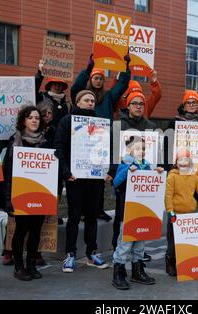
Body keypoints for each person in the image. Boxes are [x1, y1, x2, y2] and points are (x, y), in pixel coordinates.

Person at [70, 54, 132, 222]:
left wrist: (126, 66)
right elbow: (75, 87)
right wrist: (89, 67)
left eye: (101, 78)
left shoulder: (108, 97)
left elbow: (122, 85)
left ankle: (99, 209)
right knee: (84, 178)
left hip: (102, 142)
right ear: (90, 79)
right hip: (83, 144)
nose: (98, 81)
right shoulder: (84, 96)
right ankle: (83, 210)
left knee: (100, 178)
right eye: (95, 78)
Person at [54, 90, 110, 272]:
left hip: (95, 178)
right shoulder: (67, 121)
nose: (90, 102)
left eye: (93, 100)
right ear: (78, 102)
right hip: (75, 178)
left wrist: (107, 170)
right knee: (74, 217)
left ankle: (92, 253)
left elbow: (106, 148)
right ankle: (70, 253)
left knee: (92, 217)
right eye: (86, 100)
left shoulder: (100, 123)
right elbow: (59, 147)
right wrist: (65, 172)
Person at [2, 105, 52, 281]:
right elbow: (7, 173)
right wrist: (8, 200)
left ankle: (31, 263)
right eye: (30, 117)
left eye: (37, 118)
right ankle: (19, 267)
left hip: (39, 195)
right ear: (23, 120)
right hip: (20, 195)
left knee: (36, 231)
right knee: (21, 230)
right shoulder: (14, 142)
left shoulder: (46, 142)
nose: (34, 120)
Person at [108, 92, 158, 257]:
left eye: (141, 104)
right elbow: (113, 150)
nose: (138, 106)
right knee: (122, 215)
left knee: (141, 214)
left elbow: (155, 153)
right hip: (124, 178)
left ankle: (138, 251)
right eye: (134, 103)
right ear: (128, 106)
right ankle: (118, 246)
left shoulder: (150, 126)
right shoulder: (118, 125)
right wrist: (112, 172)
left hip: (144, 179)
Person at [111, 136, 164, 290]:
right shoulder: (126, 164)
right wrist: (128, 171)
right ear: (130, 150)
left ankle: (137, 270)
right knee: (125, 243)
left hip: (143, 212)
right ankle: (118, 272)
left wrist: (158, 172)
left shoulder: (146, 166)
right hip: (128, 212)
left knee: (140, 242)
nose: (142, 151)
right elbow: (115, 182)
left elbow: (153, 181)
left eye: (143, 148)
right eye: (138, 148)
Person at [164, 149, 198, 276]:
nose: (183, 162)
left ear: (190, 162)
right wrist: (170, 212)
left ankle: (186, 263)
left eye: (186, 160)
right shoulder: (172, 177)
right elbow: (168, 196)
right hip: (175, 216)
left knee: (188, 241)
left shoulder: (194, 177)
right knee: (172, 242)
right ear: (176, 162)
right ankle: (170, 262)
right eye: (180, 160)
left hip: (190, 214)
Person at [165, 90, 198, 191]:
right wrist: (169, 168)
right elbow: (166, 147)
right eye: (188, 102)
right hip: (178, 172)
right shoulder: (174, 123)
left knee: (196, 203)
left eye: (194, 102)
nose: (191, 105)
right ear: (184, 106)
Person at [35, 59, 70, 126]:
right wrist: (40, 73)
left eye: (60, 84)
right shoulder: (42, 98)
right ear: (49, 85)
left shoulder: (67, 104)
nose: (57, 86)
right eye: (55, 83)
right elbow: (33, 88)